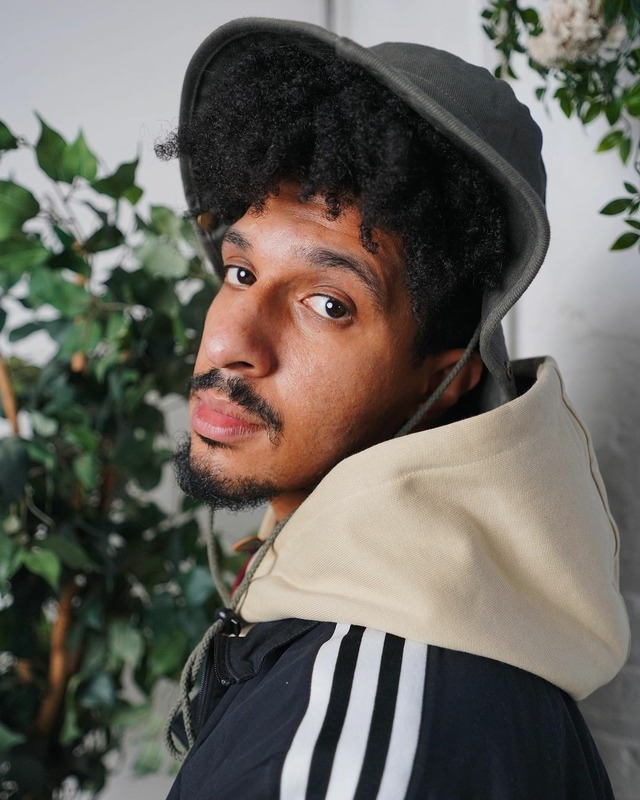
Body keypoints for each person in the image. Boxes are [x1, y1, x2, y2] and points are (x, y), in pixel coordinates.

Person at [158, 17, 630, 799]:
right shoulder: (398, 623)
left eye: (327, 303)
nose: (230, 343)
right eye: (240, 272)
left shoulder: (350, 746)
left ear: (445, 379)